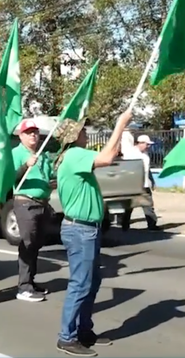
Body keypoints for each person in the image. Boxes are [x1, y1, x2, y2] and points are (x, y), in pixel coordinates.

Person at [52, 110, 131, 357]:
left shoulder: (74, 156)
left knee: (91, 282)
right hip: (80, 230)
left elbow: (110, 155)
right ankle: (67, 337)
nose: (86, 133)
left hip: (87, 229)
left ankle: (84, 331)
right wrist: (120, 124)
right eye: (83, 131)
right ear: (74, 137)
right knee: (80, 283)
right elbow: (107, 158)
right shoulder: (75, 155)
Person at [12, 118, 53, 302]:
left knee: (36, 243)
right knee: (28, 243)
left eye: (35, 132)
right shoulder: (16, 153)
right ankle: (24, 287)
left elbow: (50, 176)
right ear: (21, 136)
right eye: (29, 133)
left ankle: (31, 280)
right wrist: (25, 166)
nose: (33, 136)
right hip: (25, 202)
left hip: (42, 203)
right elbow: (10, 177)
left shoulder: (43, 154)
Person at [119, 134, 159, 231]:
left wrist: (152, 181)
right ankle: (124, 224)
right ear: (140, 143)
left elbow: (147, 169)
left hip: (145, 184)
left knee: (148, 205)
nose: (148, 146)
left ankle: (152, 225)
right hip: (133, 185)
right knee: (129, 206)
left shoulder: (145, 154)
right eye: (147, 144)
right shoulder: (131, 153)